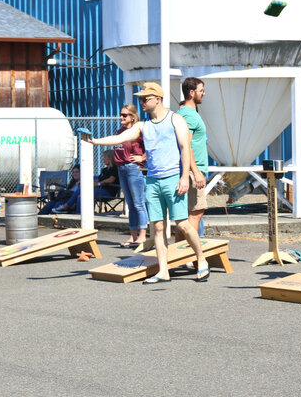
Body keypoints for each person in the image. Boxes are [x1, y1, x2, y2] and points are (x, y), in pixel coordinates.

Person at [82, 82, 209, 283]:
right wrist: (94, 141)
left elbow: (186, 149)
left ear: (157, 99)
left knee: (183, 225)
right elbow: (121, 138)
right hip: (152, 181)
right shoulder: (144, 125)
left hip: (173, 178)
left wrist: (185, 177)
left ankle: (202, 260)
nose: (141, 102)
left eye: (145, 98)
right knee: (157, 228)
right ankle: (163, 271)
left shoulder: (176, 119)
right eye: (140, 99)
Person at [175, 77, 208, 243]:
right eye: (201, 90)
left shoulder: (183, 113)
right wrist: (196, 172)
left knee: (185, 217)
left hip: (189, 170)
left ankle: (179, 254)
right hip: (193, 170)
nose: (204, 93)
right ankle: (190, 254)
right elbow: (186, 145)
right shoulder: (189, 116)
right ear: (191, 92)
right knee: (195, 213)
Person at [113, 104, 148, 247]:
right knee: (130, 204)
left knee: (139, 203)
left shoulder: (138, 132)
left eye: (125, 115)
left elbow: (152, 146)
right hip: (121, 168)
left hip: (133, 168)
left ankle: (143, 235)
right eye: (121, 115)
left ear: (132, 117)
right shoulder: (120, 131)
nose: (121, 117)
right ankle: (133, 236)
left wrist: (142, 158)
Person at [53, 150, 119, 214]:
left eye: (104, 157)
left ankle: (66, 206)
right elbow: (97, 180)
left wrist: (98, 184)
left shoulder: (115, 168)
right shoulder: (104, 170)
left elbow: (111, 179)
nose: (103, 159)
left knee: (83, 190)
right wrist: (84, 182)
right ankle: (78, 214)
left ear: (110, 158)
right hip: (100, 189)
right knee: (80, 195)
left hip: (108, 192)